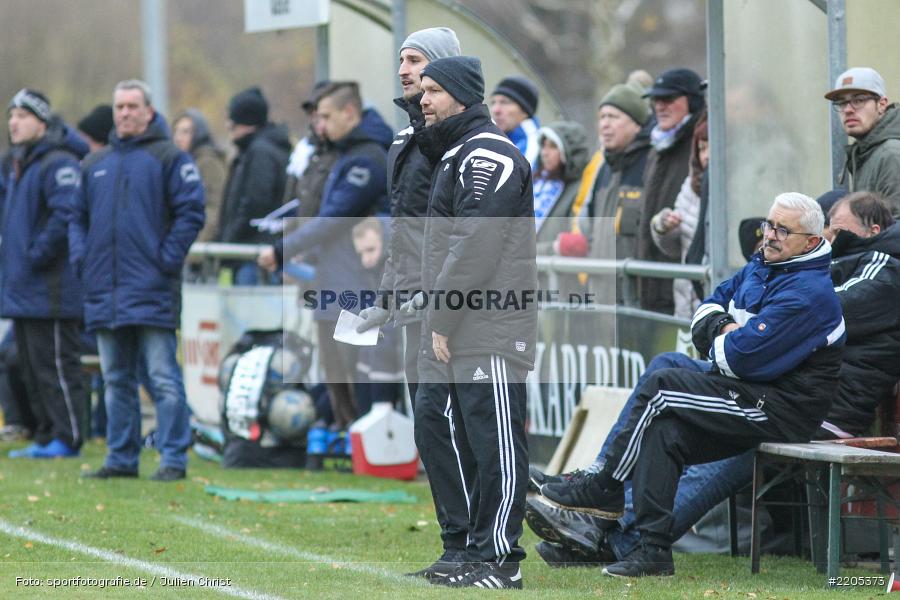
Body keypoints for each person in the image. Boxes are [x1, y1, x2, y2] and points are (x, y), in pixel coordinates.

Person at [527, 191, 900, 568]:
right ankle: (638, 542)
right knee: (665, 392)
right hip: (761, 388)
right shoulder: (769, 263)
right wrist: (727, 326)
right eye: (768, 225)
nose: (769, 235)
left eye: (782, 230)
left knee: (665, 395)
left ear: (812, 240)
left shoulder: (825, 284)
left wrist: (732, 333)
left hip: (791, 409)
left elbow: (745, 357)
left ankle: (607, 507)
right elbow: (711, 304)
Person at [413, 55, 537, 589]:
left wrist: (442, 316)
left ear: (463, 95)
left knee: (496, 444)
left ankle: (500, 562)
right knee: (454, 433)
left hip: (488, 324)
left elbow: (476, 243)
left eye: (434, 90)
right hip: (462, 322)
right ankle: (467, 550)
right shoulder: (455, 152)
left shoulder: (488, 154)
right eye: (421, 90)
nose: (423, 100)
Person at [352, 28, 469, 582]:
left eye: (416, 59)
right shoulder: (403, 140)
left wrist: (439, 295)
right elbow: (405, 235)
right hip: (411, 308)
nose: (403, 69)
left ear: (443, 69)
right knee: (428, 429)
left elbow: (464, 232)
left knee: (444, 423)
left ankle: (476, 543)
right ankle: (455, 541)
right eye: (401, 58)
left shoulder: (459, 140)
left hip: (451, 310)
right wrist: (385, 300)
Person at [71, 79, 205, 480]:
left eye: (133, 106)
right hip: (104, 290)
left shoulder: (170, 159)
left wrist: (165, 261)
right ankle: (121, 458)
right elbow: (75, 218)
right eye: (119, 107)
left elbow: (191, 213)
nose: (125, 113)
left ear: (149, 111)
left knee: (163, 378)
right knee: (116, 381)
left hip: (152, 288)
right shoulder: (94, 164)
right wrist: (82, 259)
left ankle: (173, 458)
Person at [257, 82, 392, 434]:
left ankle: (365, 441)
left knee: (356, 370)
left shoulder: (367, 158)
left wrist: (280, 250)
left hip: (356, 289)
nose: (321, 125)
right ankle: (350, 438)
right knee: (337, 373)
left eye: (327, 117)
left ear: (350, 113)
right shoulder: (344, 153)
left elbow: (333, 219)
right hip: (333, 282)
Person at [1, 89, 87, 458]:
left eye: (22, 116)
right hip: (22, 287)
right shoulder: (19, 165)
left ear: (41, 122)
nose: (13, 123)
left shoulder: (58, 163)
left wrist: (36, 255)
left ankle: (68, 436)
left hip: (50, 288)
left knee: (55, 366)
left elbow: (65, 216)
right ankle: (46, 433)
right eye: (11, 116)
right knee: (30, 367)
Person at [556, 83, 652, 301]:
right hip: (602, 296)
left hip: (639, 300)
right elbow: (585, 225)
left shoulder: (651, 164)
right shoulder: (602, 169)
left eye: (614, 117)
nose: (605, 125)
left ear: (637, 124)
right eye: (602, 117)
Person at [636, 68, 706, 314]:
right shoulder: (657, 146)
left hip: (682, 289)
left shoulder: (699, 145)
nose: (660, 106)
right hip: (650, 283)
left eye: (668, 99)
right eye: (656, 100)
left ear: (693, 100)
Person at [218, 87, 291, 284]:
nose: (227, 126)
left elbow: (255, 203)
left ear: (248, 123)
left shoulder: (260, 153)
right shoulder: (260, 150)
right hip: (257, 251)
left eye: (233, 123)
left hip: (254, 254)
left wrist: (229, 240)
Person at [649, 113, 708, 319]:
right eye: (701, 148)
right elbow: (674, 247)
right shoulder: (690, 187)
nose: (706, 155)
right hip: (685, 308)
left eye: (711, 147)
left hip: (717, 307)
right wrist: (662, 226)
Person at [825, 67, 900, 216]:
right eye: (841, 103)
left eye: (858, 100)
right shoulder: (865, 151)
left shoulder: (891, 154)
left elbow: (895, 229)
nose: (848, 110)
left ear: (882, 104)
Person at [350, 217, 403, 415]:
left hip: (396, 351)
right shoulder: (369, 271)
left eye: (370, 250)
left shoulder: (396, 265)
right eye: (361, 253)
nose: (366, 259)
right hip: (378, 351)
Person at [533, 121, 590, 254]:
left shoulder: (581, 189)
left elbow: (570, 244)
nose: (544, 153)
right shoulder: (539, 185)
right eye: (543, 146)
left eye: (553, 146)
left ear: (569, 152)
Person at [172, 109, 227, 243]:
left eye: (185, 132)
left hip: (202, 245)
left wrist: (197, 244)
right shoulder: (180, 164)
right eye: (176, 132)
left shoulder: (207, 162)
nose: (178, 138)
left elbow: (214, 206)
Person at [490, 75, 541, 166]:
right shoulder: (490, 138)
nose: (495, 110)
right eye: (493, 102)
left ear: (525, 111)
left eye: (504, 102)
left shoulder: (533, 148)